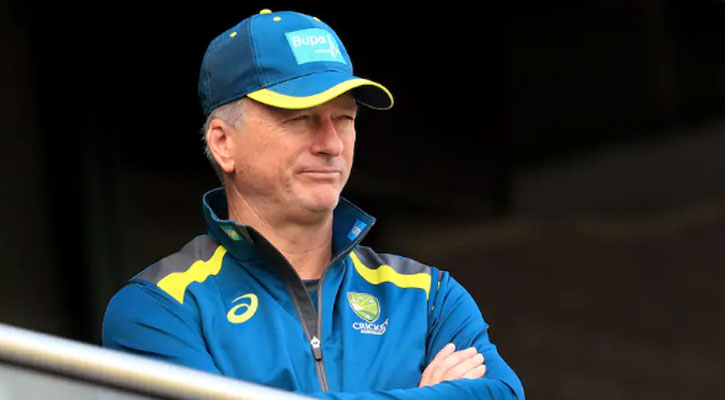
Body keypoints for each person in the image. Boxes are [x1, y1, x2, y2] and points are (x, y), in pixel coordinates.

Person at [102, 9, 525, 400]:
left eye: (344, 118)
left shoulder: (429, 296)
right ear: (223, 142)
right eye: (300, 117)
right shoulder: (158, 307)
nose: (331, 144)